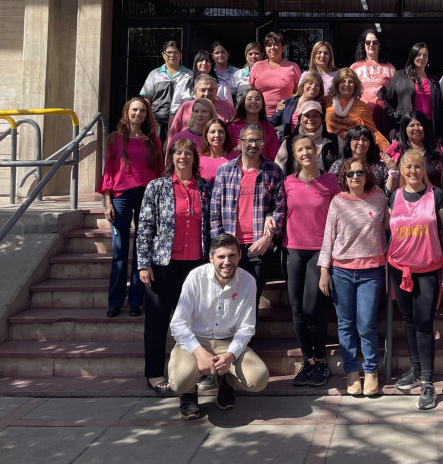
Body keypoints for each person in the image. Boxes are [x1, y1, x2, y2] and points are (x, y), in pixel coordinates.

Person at [135, 139, 211, 395]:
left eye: (188, 153)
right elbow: (145, 227)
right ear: (172, 157)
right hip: (163, 264)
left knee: (193, 321)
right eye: (178, 153)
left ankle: (194, 370)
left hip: (196, 265)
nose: (183, 157)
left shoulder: (204, 188)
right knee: (157, 320)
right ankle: (155, 373)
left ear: (195, 158)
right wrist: (143, 264)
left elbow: (211, 225)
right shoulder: (157, 187)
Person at [169, 233, 270, 419]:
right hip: (196, 340)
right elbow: (178, 323)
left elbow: (246, 328)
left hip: (228, 341)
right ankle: (189, 393)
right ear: (210, 258)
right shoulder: (195, 277)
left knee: (259, 378)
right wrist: (199, 353)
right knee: (180, 380)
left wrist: (230, 356)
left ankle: (225, 381)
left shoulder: (248, 281)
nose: (227, 262)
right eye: (221, 256)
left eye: (232, 255)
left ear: (240, 255)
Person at [387, 149, 443, 410]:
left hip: (428, 269)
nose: (413, 172)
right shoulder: (393, 196)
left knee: (425, 323)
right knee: (409, 319)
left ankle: (428, 382)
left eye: (417, 167)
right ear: (401, 171)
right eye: (408, 167)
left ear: (423, 169)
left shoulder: (436, 196)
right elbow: (387, 227)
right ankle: (416, 370)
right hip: (398, 267)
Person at [318, 157, 390, 397]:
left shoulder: (379, 198)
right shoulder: (337, 202)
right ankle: (351, 371)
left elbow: (392, 225)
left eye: (360, 173)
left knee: (367, 322)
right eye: (350, 174)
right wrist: (324, 270)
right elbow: (329, 236)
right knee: (346, 323)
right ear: (344, 178)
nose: (355, 177)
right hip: (342, 271)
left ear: (367, 175)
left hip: (372, 271)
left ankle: (370, 371)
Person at [283, 134, 341, 388]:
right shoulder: (287, 182)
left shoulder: (330, 181)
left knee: (311, 308)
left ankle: (320, 359)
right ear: (294, 155)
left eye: (308, 148)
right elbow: (276, 209)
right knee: (296, 309)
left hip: (320, 250)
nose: (305, 153)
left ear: (315, 151)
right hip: (292, 248)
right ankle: (308, 362)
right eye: (300, 150)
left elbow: (341, 214)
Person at [99, 96, 162, 318]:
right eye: (134, 110)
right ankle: (115, 302)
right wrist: (107, 201)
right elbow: (108, 170)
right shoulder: (115, 139)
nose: (138, 114)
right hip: (121, 197)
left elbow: (158, 170)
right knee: (119, 250)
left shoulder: (153, 139)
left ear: (147, 115)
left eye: (142, 111)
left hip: (146, 195)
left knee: (141, 251)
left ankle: (136, 300)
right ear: (127, 112)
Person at [210, 123, 286, 302]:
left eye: (258, 140)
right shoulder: (225, 170)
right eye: (249, 140)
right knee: (226, 297)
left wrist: (268, 239)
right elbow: (215, 212)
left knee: (251, 298)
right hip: (230, 246)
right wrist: (221, 244)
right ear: (239, 142)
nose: (254, 144)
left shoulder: (273, 171)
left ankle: (248, 332)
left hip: (258, 246)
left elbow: (280, 208)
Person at [384, 42, 443, 143]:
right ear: (412, 56)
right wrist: (392, 127)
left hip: (428, 128)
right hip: (406, 127)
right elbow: (388, 103)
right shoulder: (400, 75)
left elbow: (439, 108)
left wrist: (439, 133)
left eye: (425, 55)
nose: (422, 57)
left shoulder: (434, 79)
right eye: (418, 54)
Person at [140, 40, 191, 144]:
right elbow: (147, 98)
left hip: (180, 119)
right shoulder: (154, 74)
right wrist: (148, 117)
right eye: (169, 52)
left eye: (176, 52)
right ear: (163, 55)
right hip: (157, 119)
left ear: (181, 55)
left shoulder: (189, 74)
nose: (172, 55)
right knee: (156, 147)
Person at [325, 67, 390, 151]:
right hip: (330, 151)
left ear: (355, 85)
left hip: (354, 151)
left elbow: (373, 132)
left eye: (350, 82)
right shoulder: (326, 101)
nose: (347, 84)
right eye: (343, 81)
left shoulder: (361, 106)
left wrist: (387, 149)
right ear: (336, 84)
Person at [328, 124, 399, 196]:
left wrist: (393, 170)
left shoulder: (379, 166)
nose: (361, 143)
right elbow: (329, 189)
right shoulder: (338, 165)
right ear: (349, 142)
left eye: (365, 140)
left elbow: (388, 193)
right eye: (356, 139)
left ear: (370, 144)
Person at [385, 112, 443, 189]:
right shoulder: (396, 148)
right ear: (405, 129)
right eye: (412, 125)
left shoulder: (437, 149)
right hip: (404, 198)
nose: (416, 128)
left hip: (434, 197)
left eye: (419, 125)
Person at [350, 28, 396, 135]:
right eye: (368, 42)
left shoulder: (390, 68)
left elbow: (395, 97)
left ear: (379, 45)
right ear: (363, 45)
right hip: (360, 116)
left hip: (382, 117)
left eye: (375, 42)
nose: (371, 45)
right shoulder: (354, 67)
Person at [275, 101, 342, 173]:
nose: (311, 119)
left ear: (321, 118)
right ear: (300, 118)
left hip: (329, 182)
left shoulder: (335, 140)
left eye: (315, 115)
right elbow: (278, 168)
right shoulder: (289, 142)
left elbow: (345, 163)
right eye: (307, 115)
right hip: (297, 182)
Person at [247, 32, 302, 112]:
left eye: (276, 44)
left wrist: (289, 104)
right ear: (265, 49)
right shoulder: (257, 66)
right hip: (259, 115)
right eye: (269, 45)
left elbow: (299, 94)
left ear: (282, 48)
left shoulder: (293, 67)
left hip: (284, 115)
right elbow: (250, 92)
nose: (272, 48)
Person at [169, 74, 234, 135]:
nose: (206, 94)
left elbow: (234, 130)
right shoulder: (185, 106)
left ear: (216, 91)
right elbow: (174, 132)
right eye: (203, 90)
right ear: (195, 92)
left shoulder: (226, 107)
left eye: (210, 90)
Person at [227, 87, 280, 162]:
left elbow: (274, 155)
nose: (254, 102)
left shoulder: (268, 128)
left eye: (258, 99)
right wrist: (237, 148)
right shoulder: (232, 126)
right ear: (243, 102)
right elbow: (224, 152)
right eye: (249, 99)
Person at [271, 72, 325, 142]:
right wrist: (259, 123)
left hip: (310, 144)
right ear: (303, 85)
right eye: (310, 83)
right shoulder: (289, 101)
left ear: (320, 90)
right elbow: (275, 119)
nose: (313, 86)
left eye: (317, 85)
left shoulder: (320, 107)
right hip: (288, 143)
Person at [197, 118, 238, 182]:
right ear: (206, 135)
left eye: (220, 131)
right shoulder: (198, 160)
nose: (217, 135)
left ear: (225, 135)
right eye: (212, 132)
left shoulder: (237, 158)